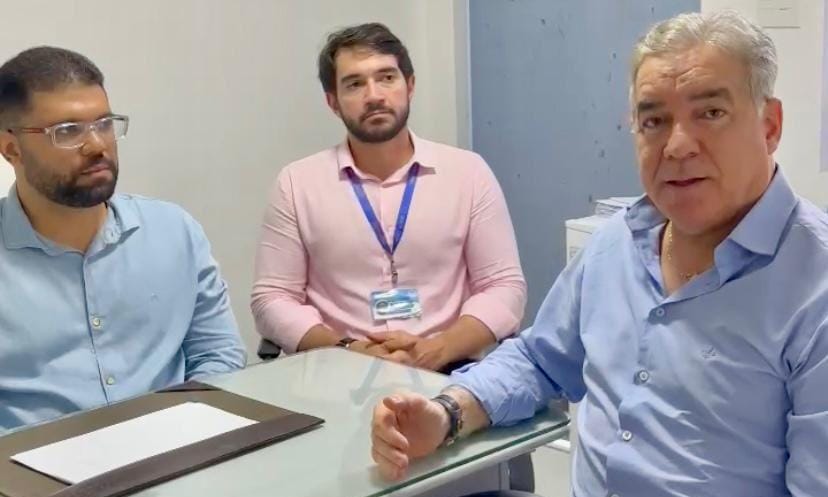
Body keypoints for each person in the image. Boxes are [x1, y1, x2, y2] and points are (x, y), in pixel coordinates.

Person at [371, 11, 828, 496]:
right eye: (654, 121)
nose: (676, 146)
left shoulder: (813, 285)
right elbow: (540, 359)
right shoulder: (617, 242)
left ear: (770, 126)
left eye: (710, 113)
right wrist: (447, 413)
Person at [251, 23, 526, 372]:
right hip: (337, 373)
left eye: (386, 78)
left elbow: (504, 288)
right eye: (355, 84)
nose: (374, 95)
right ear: (333, 102)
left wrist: (438, 348)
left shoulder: (468, 173)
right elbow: (271, 299)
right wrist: (345, 350)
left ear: (409, 86)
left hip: (449, 372)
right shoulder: (297, 183)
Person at [0, 46, 246, 433]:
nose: (97, 145)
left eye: (104, 123)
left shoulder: (173, 231)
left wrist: (186, 428)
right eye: (67, 131)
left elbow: (219, 353)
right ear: (11, 148)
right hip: (28, 462)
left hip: (176, 444)